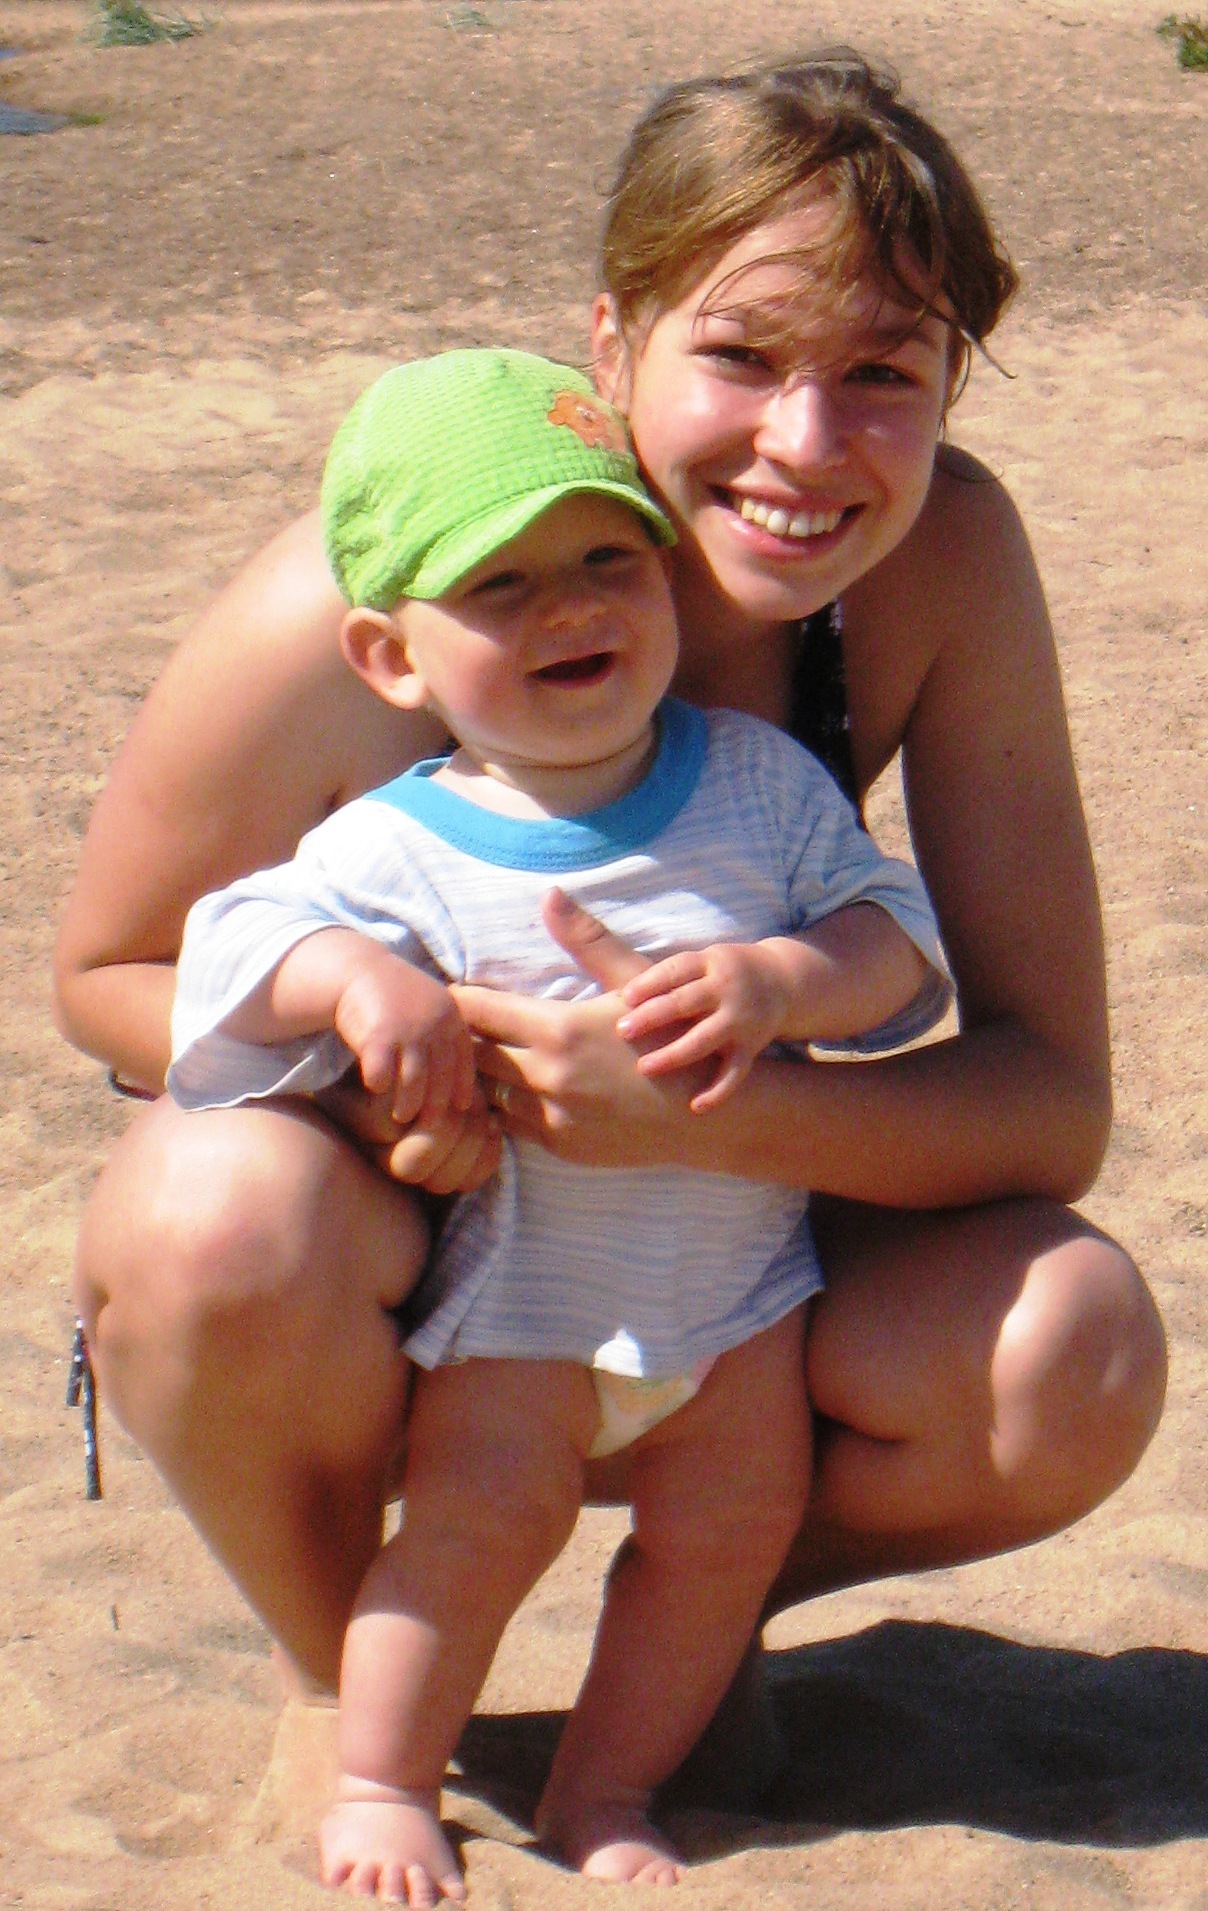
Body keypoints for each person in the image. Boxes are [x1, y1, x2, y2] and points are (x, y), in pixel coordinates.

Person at [57, 44, 1166, 1852]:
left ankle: (696, 1620)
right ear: (613, 345)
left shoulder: (940, 561)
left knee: (1077, 1348)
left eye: (884, 374)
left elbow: (1048, 1102)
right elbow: (103, 974)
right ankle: (342, 1672)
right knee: (209, 1226)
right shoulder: (391, 594)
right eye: (740, 355)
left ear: (952, 382)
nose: (807, 445)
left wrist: (710, 1111)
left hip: (730, 1270)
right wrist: (402, 1072)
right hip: (408, 1233)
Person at [167, 347, 951, 1896]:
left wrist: (786, 981)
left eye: (608, 560)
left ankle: (609, 1792)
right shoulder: (396, 842)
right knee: (470, 1539)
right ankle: (385, 1780)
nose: (571, 609)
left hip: (742, 1308)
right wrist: (360, 988)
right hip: (521, 1314)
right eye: (501, 587)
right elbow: (225, 955)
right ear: (390, 658)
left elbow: (902, 937)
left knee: (722, 1542)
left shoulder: (757, 781)